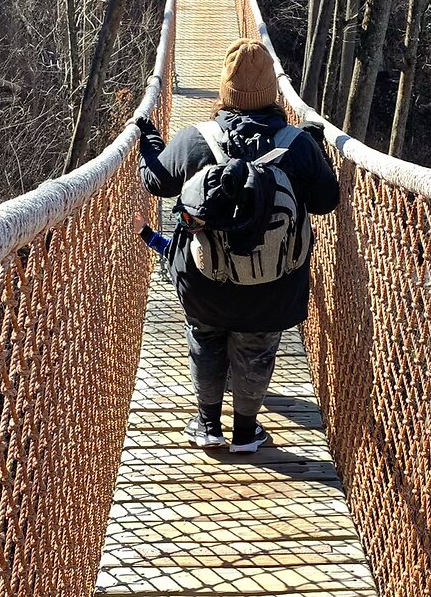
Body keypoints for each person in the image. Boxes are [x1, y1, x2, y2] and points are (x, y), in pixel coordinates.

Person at [132, 38, 339, 453]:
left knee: (205, 340)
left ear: (224, 91)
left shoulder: (195, 139)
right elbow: (326, 201)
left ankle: (207, 425)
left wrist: (148, 139)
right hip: (274, 287)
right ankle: (246, 432)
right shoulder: (297, 144)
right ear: (273, 94)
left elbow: (156, 181)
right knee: (257, 350)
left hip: (205, 282)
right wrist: (315, 149)